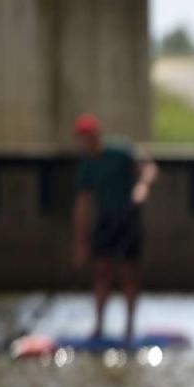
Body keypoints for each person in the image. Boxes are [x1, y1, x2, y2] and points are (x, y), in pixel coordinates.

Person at [72, 114, 157, 344]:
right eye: (81, 138)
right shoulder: (87, 165)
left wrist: (142, 187)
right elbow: (82, 204)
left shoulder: (121, 151)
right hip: (106, 220)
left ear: (96, 135)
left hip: (128, 218)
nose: (84, 142)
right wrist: (80, 242)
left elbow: (149, 169)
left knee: (129, 273)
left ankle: (129, 328)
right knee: (101, 272)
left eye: (87, 137)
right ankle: (99, 327)